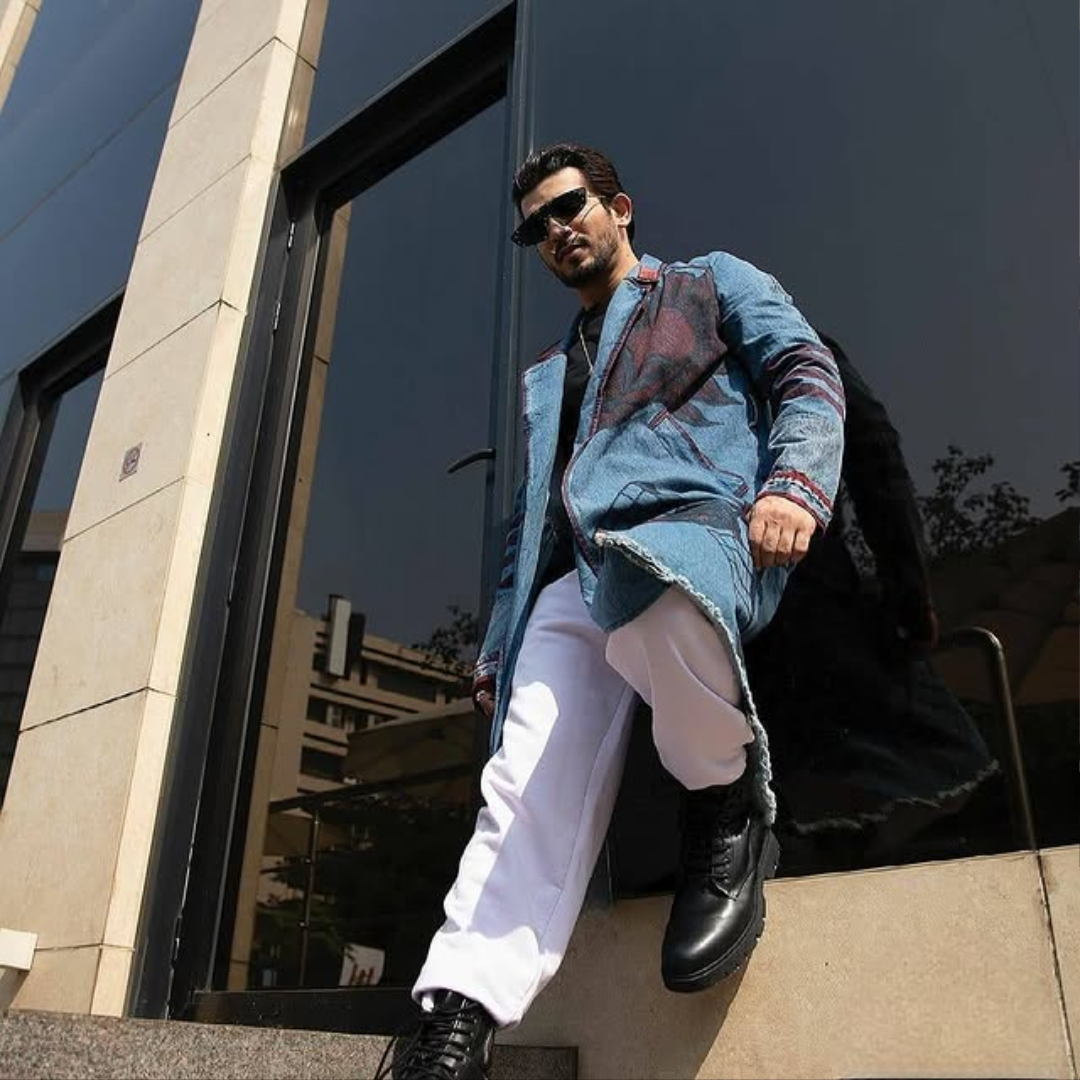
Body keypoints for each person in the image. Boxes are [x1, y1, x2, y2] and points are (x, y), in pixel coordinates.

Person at [376, 143, 845, 1080]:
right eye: (536, 227)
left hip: (693, 530)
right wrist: (498, 647)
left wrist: (794, 483)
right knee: (523, 775)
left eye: (570, 207)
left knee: (660, 604)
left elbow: (805, 369)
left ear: (619, 207)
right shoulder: (549, 374)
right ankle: (460, 1013)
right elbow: (532, 521)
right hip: (578, 574)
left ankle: (725, 805)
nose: (556, 231)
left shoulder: (709, 283)